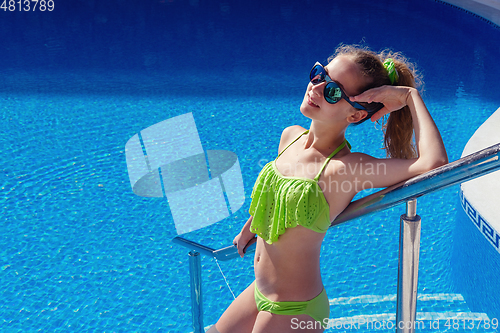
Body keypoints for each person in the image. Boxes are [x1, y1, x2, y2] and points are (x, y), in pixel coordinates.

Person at [207, 44, 448, 333]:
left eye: (333, 91)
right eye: (320, 75)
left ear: (356, 115)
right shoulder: (291, 137)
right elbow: (280, 197)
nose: (317, 87)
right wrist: (253, 226)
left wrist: (410, 97)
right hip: (258, 290)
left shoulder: (347, 168)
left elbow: (434, 163)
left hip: (296, 309)